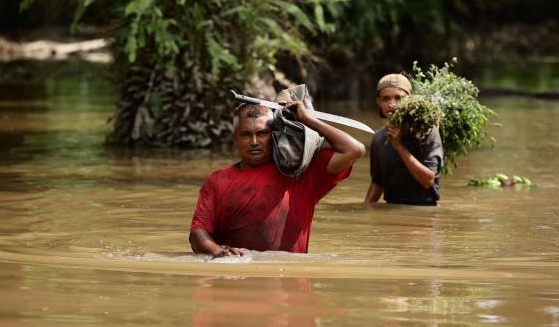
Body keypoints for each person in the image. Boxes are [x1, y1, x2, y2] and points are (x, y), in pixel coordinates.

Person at [190, 100, 365, 257]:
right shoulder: (218, 180)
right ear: (234, 138)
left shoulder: (301, 173)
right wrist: (219, 252)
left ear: (275, 135)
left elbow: (354, 149)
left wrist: (307, 119)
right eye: (246, 134)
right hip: (236, 278)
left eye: (262, 133)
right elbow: (197, 233)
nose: (254, 141)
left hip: (291, 286)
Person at [364, 73, 443, 206]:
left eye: (399, 98)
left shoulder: (427, 132)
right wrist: (365, 210)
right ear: (378, 102)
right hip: (391, 208)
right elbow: (377, 183)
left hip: (424, 211)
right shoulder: (379, 138)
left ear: (410, 100)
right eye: (386, 99)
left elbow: (428, 180)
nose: (392, 104)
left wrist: (399, 146)